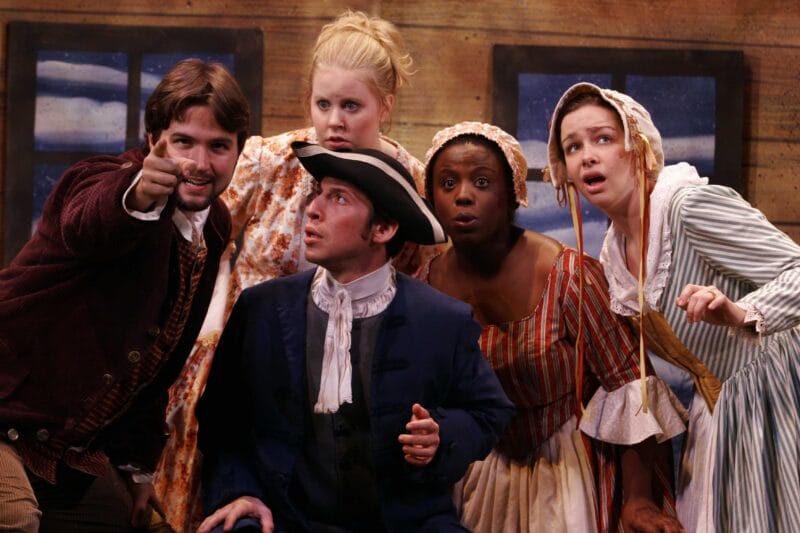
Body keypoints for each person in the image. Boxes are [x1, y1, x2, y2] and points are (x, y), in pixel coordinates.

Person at [152, 12, 435, 530]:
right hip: (246, 365)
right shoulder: (270, 161)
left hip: (350, 383)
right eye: (323, 104)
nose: (335, 121)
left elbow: (418, 291)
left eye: (352, 106)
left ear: (386, 106)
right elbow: (201, 240)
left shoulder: (408, 185)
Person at [195, 141, 514, 532]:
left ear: (383, 229)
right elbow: (221, 422)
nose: (313, 209)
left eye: (339, 198)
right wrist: (240, 491)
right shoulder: (261, 309)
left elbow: (488, 413)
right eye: (318, 194)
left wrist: (441, 434)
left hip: (407, 522)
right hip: (287, 518)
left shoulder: (440, 320)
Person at [0, 58, 249, 532]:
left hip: (60, 445)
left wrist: (137, 467)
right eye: (183, 142)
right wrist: (137, 197)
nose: (200, 164)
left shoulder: (214, 223)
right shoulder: (109, 179)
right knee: (14, 519)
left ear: (239, 149)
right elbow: (88, 220)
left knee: (134, 523)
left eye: (219, 146)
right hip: (6, 413)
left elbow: (158, 358)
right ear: (153, 139)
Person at [546, 82, 800, 532]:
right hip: (720, 410)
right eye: (573, 147)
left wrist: (741, 312)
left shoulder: (687, 207)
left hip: (776, 397)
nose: (587, 156)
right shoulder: (614, 256)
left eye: (603, 138)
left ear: (639, 146)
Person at [418, 122, 688, 532]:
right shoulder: (424, 287)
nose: (464, 195)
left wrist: (637, 499)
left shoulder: (570, 277)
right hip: (477, 468)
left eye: (482, 182)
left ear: (513, 194)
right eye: (448, 183)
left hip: (562, 466)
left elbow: (630, 385)